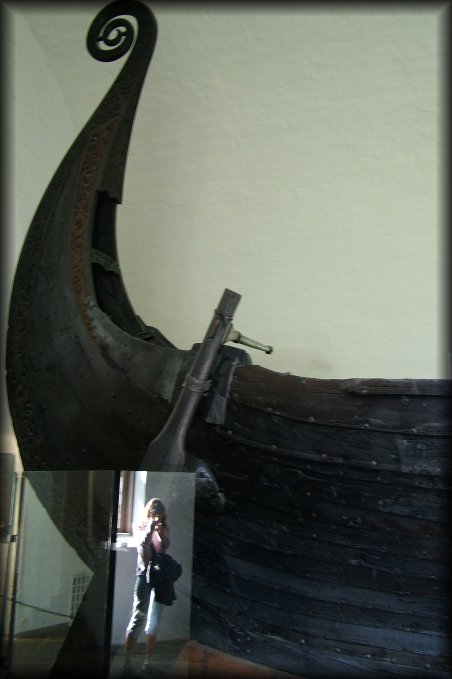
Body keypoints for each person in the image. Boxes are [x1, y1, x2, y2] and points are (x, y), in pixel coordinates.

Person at [123, 497, 170, 673]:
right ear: (149, 513)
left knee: (154, 619)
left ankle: (148, 660)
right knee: (138, 617)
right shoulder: (139, 525)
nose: (159, 518)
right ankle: (127, 660)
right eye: (156, 515)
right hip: (143, 576)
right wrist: (151, 527)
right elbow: (142, 543)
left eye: (161, 516)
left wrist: (161, 532)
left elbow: (165, 546)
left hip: (159, 576)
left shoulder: (163, 526)